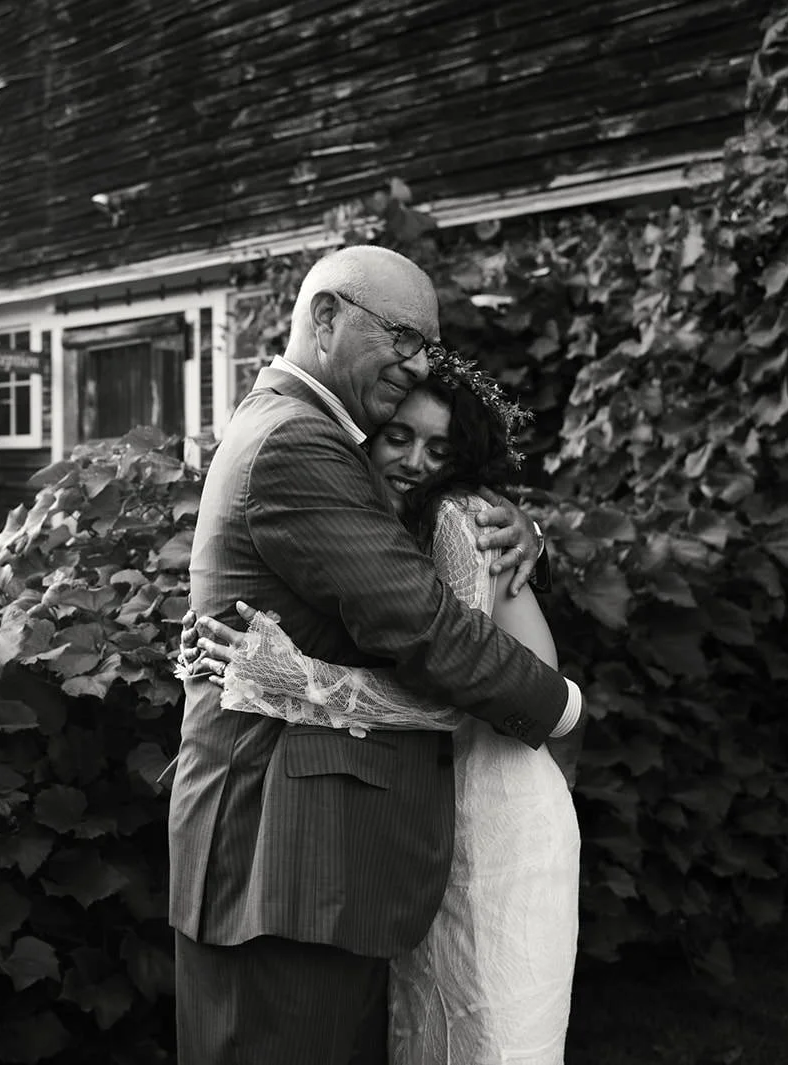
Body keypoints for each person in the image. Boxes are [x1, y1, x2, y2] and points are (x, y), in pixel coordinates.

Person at [168, 245, 584, 1065]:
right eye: (402, 334)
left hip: (305, 862)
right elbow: (422, 626)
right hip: (284, 866)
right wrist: (563, 706)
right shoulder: (299, 441)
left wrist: (516, 531)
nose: (418, 360)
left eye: (427, 344)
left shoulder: (306, 432)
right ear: (326, 318)